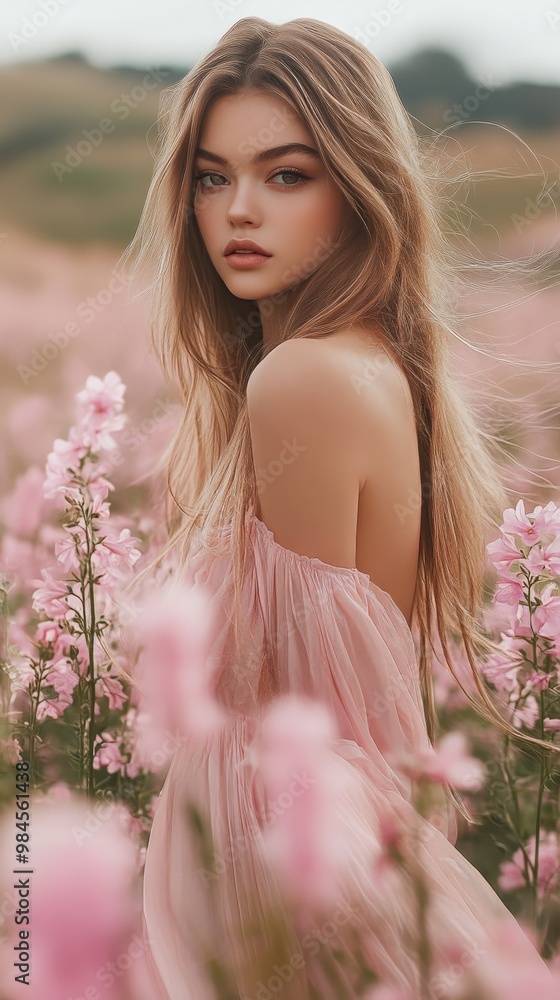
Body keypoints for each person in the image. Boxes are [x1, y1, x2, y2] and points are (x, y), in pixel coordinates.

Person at [124, 16, 556, 998]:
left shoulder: (302, 382)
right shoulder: (369, 367)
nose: (237, 210)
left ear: (358, 190)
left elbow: (296, 756)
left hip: (291, 925)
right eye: (208, 174)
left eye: (286, 174)